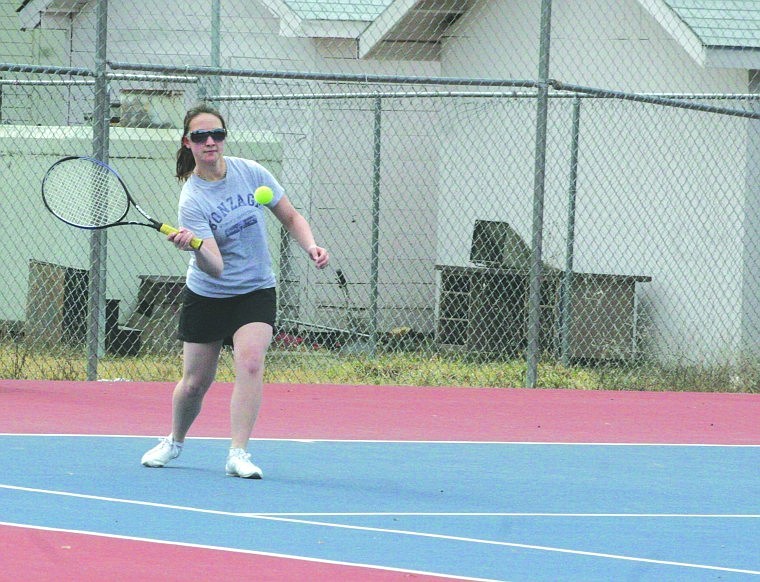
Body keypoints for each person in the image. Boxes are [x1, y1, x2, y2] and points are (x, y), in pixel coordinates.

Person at [140, 104, 329, 478]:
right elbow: (216, 266)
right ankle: (175, 441)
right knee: (195, 383)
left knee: (251, 361)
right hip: (208, 293)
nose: (210, 142)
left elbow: (290, 216)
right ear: (188, 142)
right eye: (200, 136)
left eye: (217, 135)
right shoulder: (192, 198)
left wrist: (310, 245)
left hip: (255, 289)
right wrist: (194, 246)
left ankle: (238, 453)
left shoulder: (251, 171)